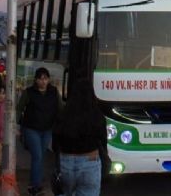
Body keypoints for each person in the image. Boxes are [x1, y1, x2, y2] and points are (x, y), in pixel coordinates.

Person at [53, 79, 106, 196]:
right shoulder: (97, 115)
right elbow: (103, 141)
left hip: (66, 162)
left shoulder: (63, 114)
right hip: (90, 161)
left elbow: (55, 142)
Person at [18, 67, 63, 196]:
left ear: (49, 79)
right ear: (36, 80)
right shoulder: (29, 92)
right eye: (40, 79)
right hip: (31, 128)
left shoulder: (54, 92)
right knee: (37, 156)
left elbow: (60, 108)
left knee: (40, 157)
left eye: (45, 79)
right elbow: (19, 108)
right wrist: (16, 126)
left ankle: (34, 183)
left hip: (47, 129)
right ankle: (35, 185)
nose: (43, 81)